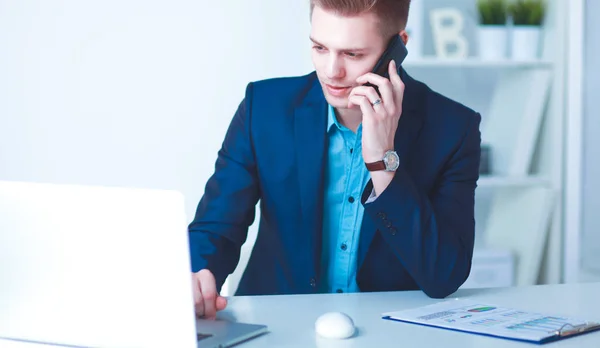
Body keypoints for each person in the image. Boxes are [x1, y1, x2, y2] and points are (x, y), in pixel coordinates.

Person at [189, 0, 481, 319]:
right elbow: (216, 228)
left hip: (388, 332)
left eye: (352, 54)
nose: (331, 71)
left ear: (398, 46)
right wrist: (196, 278)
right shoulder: (264, 108)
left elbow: (444, 276)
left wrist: (383, 162)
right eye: (319, 47)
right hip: (275, 326)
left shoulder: (453, 128)